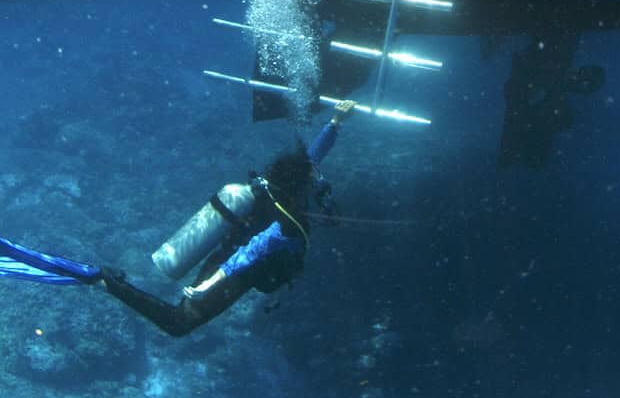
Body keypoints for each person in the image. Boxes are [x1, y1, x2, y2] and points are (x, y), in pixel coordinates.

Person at [0, 100, 357, 338]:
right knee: (179, 324)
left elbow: (312, 158)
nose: (318, 181)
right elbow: (252, 252)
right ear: (299, 186)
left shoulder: (281, 190)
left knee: (180, 321)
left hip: (230, 261)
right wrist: (210, 283)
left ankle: (106, 281)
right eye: (312, 179)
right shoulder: (289, 220)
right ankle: (103, 280)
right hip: (233, 272)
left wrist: (335, 123)